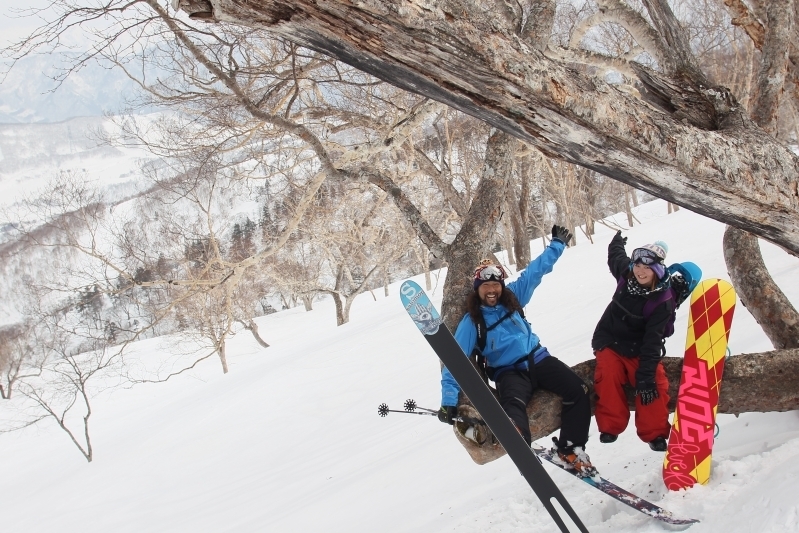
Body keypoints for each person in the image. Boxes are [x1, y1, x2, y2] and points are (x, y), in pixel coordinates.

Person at [437, 225, 595, 476]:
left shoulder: (514, 299)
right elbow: (454, 360)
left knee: (577, 390)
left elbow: (536, 271)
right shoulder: (473, 321)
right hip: (508, 373)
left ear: (501, 285)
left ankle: (571, 449)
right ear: (477, 289)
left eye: (495, 285)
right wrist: (448, 400)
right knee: (514, 409)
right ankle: (521, 449)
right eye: (485, 286)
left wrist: (557, 245)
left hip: (539, 360)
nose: (491, 290)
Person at [592, 231, 672, 451]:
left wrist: (645, 374)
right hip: (610, 339)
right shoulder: (627, 274)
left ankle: (654, 432)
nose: (640, 271)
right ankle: (610, 426)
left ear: (656, 269)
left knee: (654, 382)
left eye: (647, 267)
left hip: (639, 347)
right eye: (638, 265)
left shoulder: (662, 300)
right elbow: (615, 256)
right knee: (608, 374)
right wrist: (617, 241)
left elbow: (653, 340)